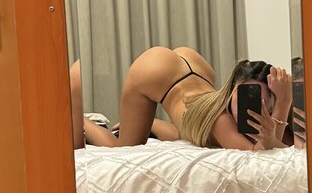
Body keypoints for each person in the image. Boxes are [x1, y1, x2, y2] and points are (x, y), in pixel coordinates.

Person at [70, 47, 293, 150]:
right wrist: (284, 101)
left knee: (191, 134)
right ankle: (83, 120)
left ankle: (153, 124)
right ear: (229, 91)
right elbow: (264, 153)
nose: (254, 108)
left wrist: (282, 102)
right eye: (245, 98)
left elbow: (284, 143)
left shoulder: (220, 120)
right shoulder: (221, 120)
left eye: (264, 102)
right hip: (154, 72)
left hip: (196, 69)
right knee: (123, 148)